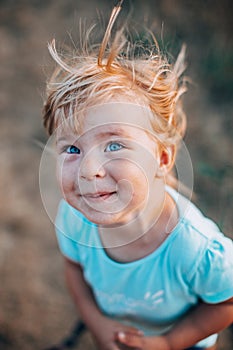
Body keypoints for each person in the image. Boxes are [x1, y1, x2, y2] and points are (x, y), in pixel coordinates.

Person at [42, 1, 233, 349]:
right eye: (72, 149)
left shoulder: (195, 248)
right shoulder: (73, 217)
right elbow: (74, 270)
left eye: (114, 145)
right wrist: (97, 323)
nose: (89, 171)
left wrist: (169, 343)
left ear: (162, 158)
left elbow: (225, 302)